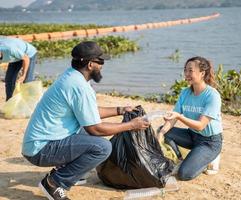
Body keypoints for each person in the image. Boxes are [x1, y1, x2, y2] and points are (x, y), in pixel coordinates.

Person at [22, 41, 150, 200]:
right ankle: (54, 183)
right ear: (90, 64)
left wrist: (120, 110)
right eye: (100, 61)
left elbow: (89, 113)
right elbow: (95, 129)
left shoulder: (72, 76)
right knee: (103, 147)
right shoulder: (79, 86)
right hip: (41, 149)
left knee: (88, 134)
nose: (102, 65)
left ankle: (68, 170)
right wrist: (131, 125)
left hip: (40, 143)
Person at [157, 56, 223, 181]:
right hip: (192, 135)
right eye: (185, 70)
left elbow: (200, 125)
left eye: (190, 70)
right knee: (163, 131)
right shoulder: (185, 93)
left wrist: (179, 117)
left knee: (184, 174)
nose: (186, 73)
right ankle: (179, 160)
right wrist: (161, 133)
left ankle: (211, 158)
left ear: (202, 73)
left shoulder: (212, 95)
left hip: (210, 142)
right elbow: (173, 117)